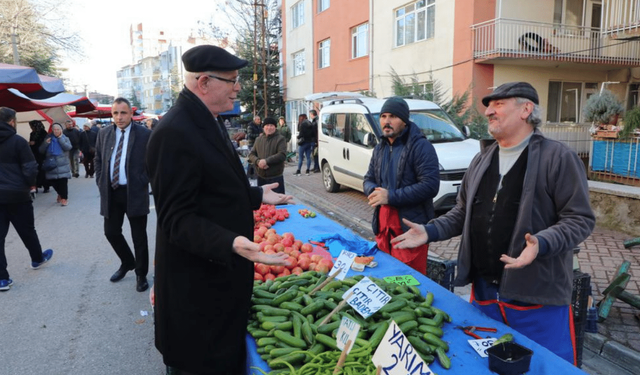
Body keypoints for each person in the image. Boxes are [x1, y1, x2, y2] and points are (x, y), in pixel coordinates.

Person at [391, 82, 595, 364]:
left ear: (526, 109)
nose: (488, 111)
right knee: (484, 366)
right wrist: (430, 230)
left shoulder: (558, 158)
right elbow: (462, 211)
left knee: (544, 367)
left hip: (536, 301)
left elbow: (579, 219)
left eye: (499, 104)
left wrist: (543, 243)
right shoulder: (482, 158)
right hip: (485, 295)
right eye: (488, 105)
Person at [146, 44, 292, 375]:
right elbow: (177, 219)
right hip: (197, 297)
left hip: (216, 288)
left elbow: (210, 187)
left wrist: (254, 197)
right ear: (204, 82)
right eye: (232, 79)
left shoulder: (206, 119)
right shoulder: (173, 132)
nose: (238, 87)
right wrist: (233, 243)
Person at [363, 96, 440, 274]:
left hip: (409, 228)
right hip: (383, 226)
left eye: (393, 116)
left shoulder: (421, 147)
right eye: (383, 116)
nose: (387, 121)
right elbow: (368, 178)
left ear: (404, 121)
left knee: (408, 281)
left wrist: (390, 196)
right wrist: (372, 191)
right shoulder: (379, 147)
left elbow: (430, 185)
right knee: (385, 274)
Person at [94, 98, 151, 293]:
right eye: (115, 113)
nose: (119, 117)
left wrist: (143, 180)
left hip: (134, 193)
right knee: (111, 232)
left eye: (123, 113)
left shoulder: (144, 134)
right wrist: (100, 179)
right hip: (111, 193)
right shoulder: (104, 133)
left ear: (131, 113)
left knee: (139, 237)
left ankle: (141, 274)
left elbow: (153, 162)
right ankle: (128, 262)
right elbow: (98, 159)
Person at [0, 107, 54, 291]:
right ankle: (37, 258)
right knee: (27, 230)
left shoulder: (17, 141)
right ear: (12, 122)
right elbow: (30, 167)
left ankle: (2, 279)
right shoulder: (18, 141)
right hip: (17, 195)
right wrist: (30, 184)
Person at [248, 116, 288, 194]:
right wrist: (258, 162)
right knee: (263, 204)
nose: (269, 128)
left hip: (275, 178)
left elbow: (282, 155)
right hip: (261, 178)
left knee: (278, 204)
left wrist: (266, 161)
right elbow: (251, 154)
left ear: (275, 127)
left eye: (271, 125)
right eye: (267, 125)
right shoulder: (258, 139)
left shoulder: (280, 139)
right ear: (263, 127)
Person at [39, 123, 72, 206]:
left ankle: (64, 198)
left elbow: (68, 147)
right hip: (51, 163)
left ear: (61, 130)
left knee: (63, 182)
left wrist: (60, 139)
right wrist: (45, 143)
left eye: (58, 129)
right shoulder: (48, 138)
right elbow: (41, 150)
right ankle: (60, 193)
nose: (56, 131)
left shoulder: (65, 138)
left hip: (62, 163)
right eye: (54, 130)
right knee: (52, 181)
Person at [28, 120, 48, 192]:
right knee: (36, 170)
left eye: (32, 126)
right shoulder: (32, 134)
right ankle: (36, 185)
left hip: (42, 154)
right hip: (34, 154)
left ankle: (46, 186)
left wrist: (35, 143)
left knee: (43, 170)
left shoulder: (43, 133)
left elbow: (45, 143)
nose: (31, 128)